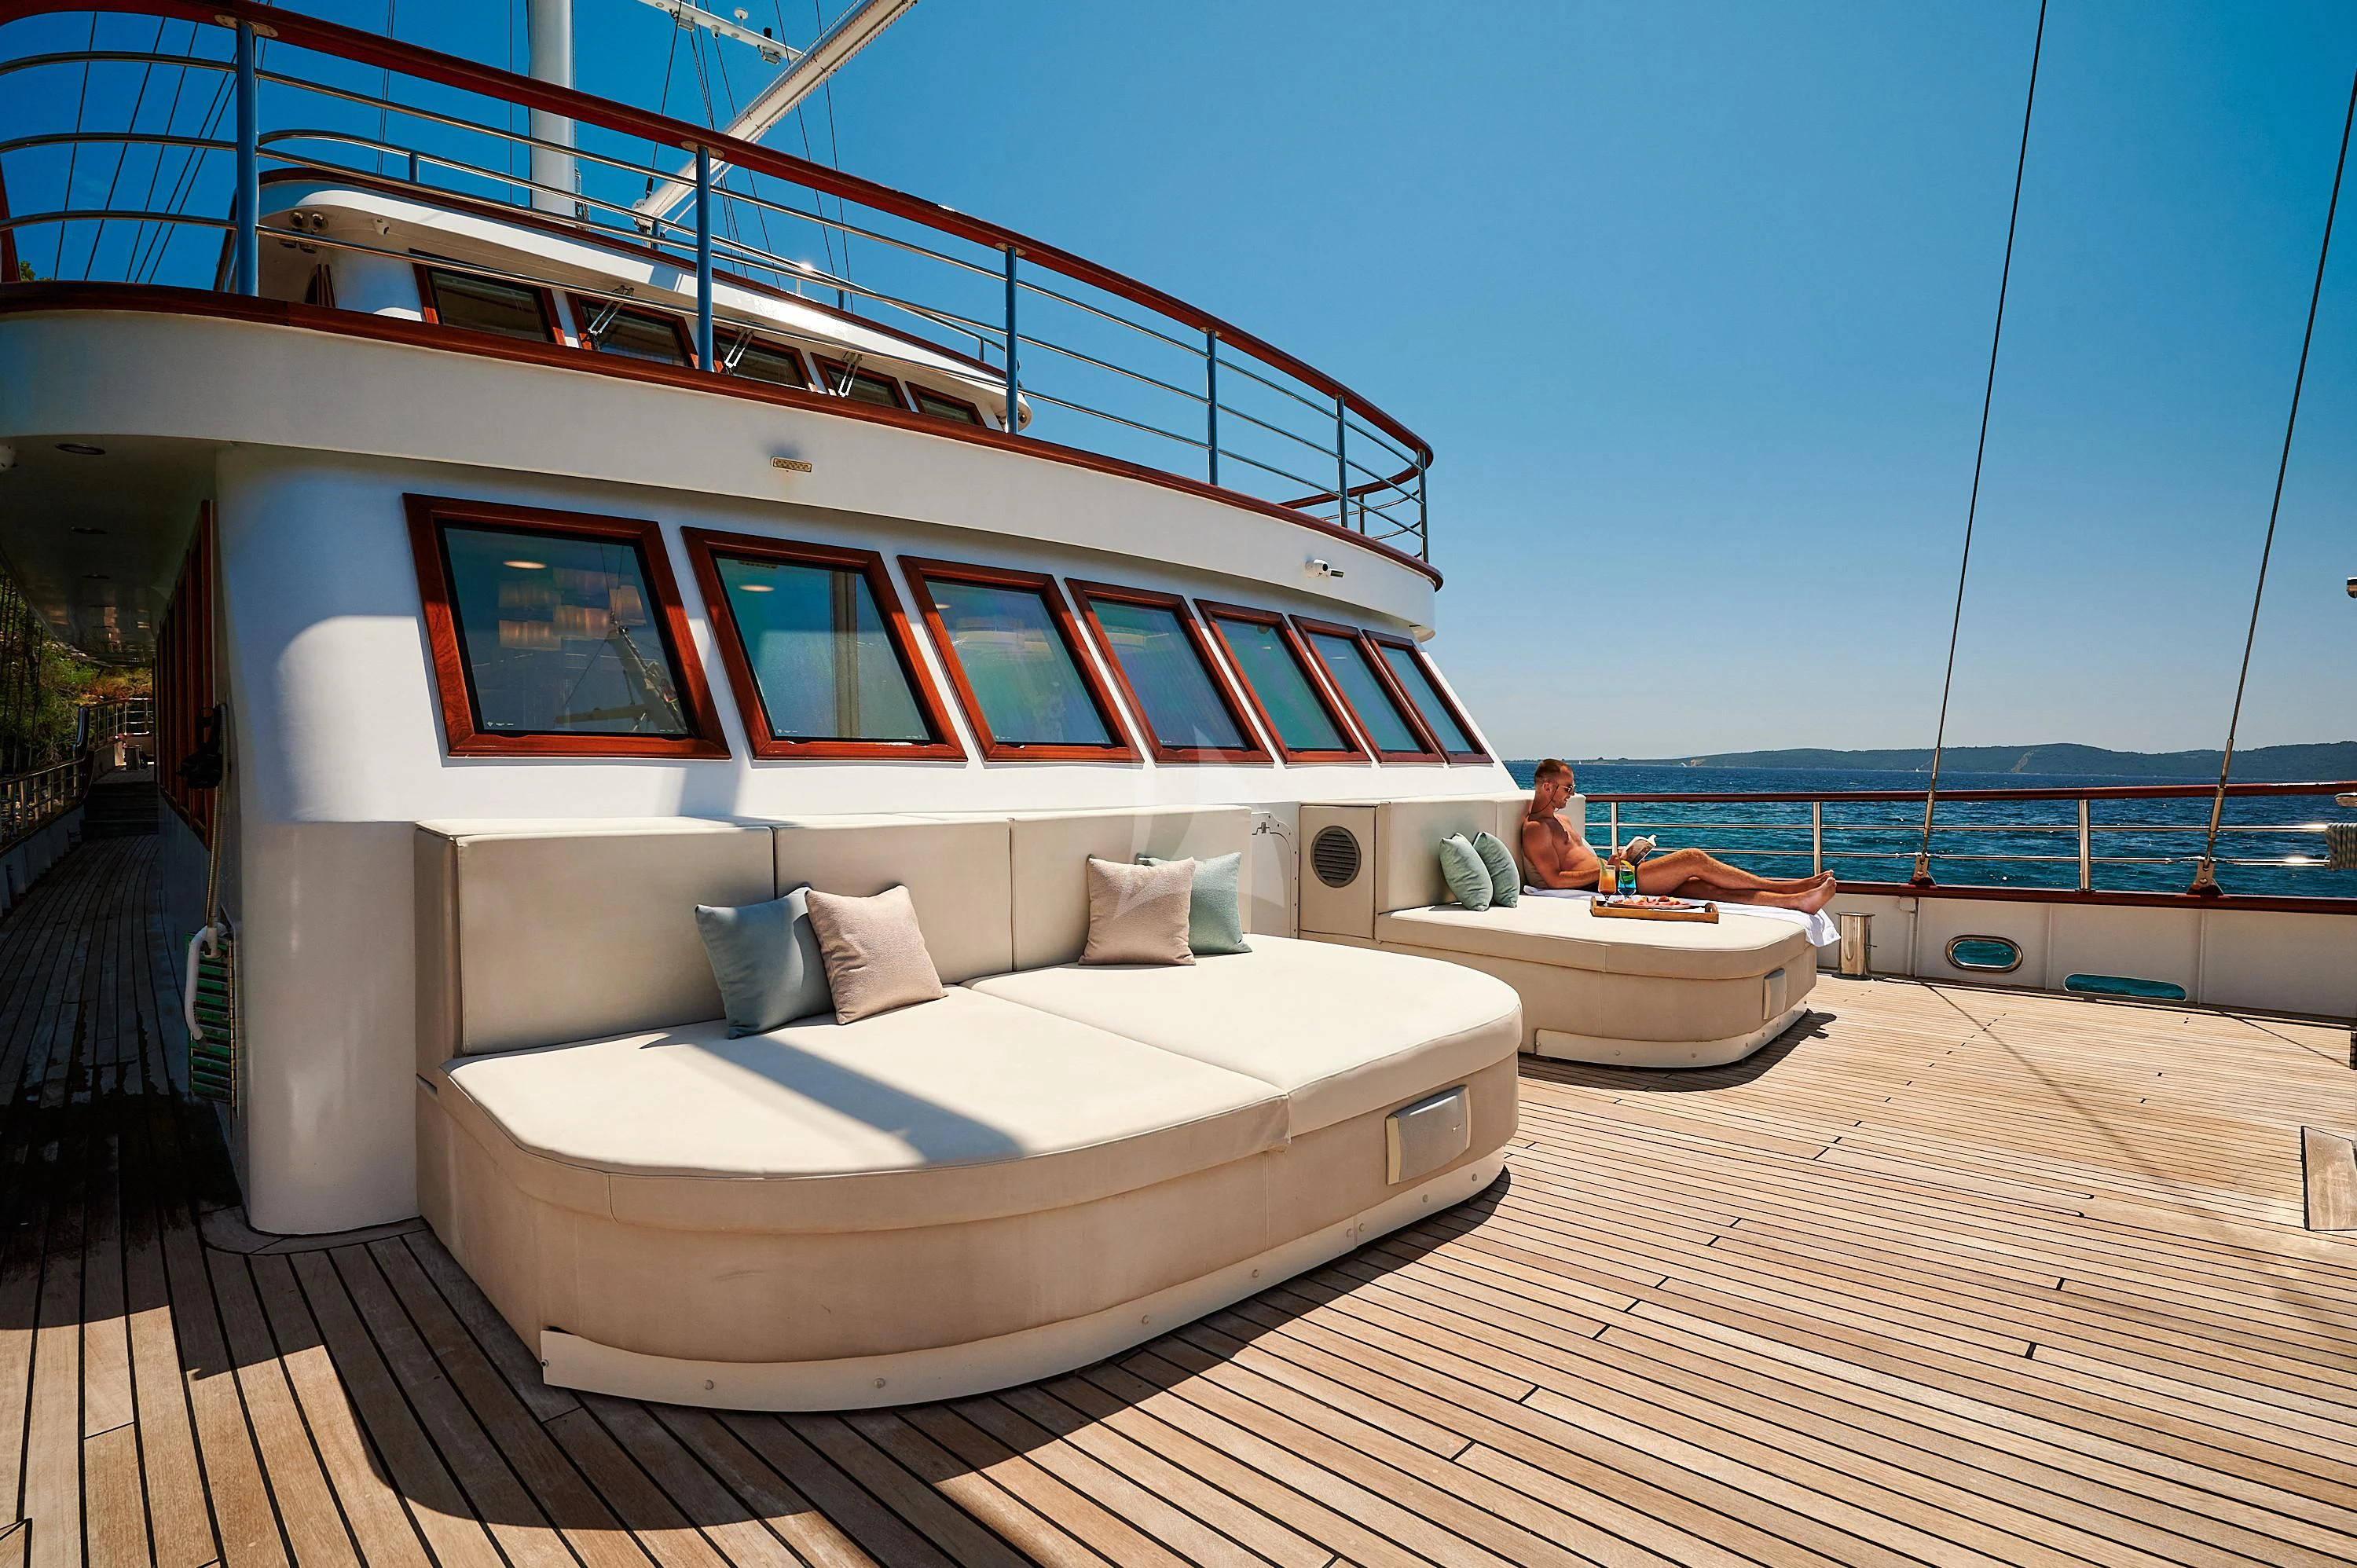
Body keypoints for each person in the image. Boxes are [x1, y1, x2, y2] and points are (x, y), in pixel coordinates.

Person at [1520, 758, 1837, 913]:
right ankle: (1785, 887)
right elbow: (1557, 880)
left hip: (1611, 876)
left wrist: (1617, 860)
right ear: (1546, 786)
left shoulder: (1563, 821)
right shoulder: (1536, 829)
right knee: (1693, 858)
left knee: (1700, 887)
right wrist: (1610, 869)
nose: (1572, 793)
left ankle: (1795, 901)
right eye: (1568, 788)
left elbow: (1580, 864)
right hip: (1606, 884)